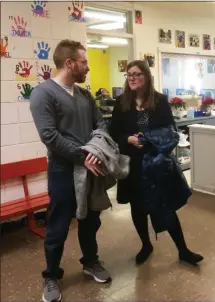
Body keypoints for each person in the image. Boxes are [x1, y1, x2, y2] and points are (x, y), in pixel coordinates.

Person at [30, 40, 111, 302]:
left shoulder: (86, 95)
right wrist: (83, 154)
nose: (88, 67)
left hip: (91, 169)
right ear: (69, 63)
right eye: (84, 62)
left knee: (91, 220)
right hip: (62, 171)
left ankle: (90, 262)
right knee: (58, 225)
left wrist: (95, 151)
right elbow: (49, 136)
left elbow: (100, 124)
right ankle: (51, 276)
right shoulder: (44, 94)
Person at [110, 60, 203, 266]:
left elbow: (170, 130)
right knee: (137, 208)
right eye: (129, 74)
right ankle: (146, 245)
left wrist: (149, 140)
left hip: (156, 163)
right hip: (132, 164)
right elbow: (114, 131)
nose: (132, 78)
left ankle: (183, 250)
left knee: (164, 206)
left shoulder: (159, 101)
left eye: (137, 74)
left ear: (146, 76)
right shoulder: (122, 102)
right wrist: (129, 139)